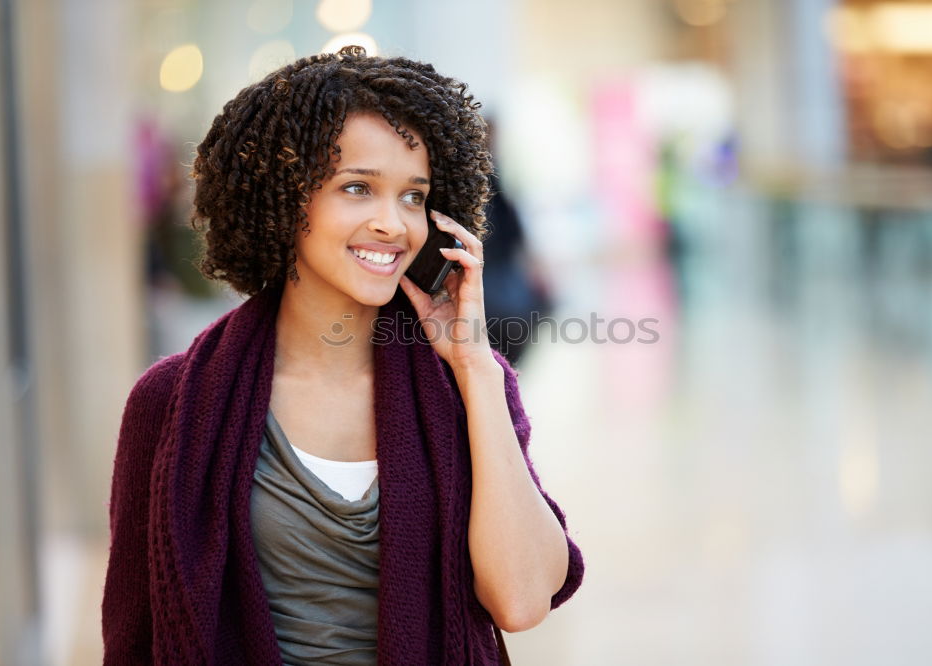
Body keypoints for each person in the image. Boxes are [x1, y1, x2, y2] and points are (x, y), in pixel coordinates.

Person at [101, 46, 584, 665]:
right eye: (357, 188)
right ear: (283, 199)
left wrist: (474, 368)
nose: (393, 223)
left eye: (414, 196)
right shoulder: (171, 403)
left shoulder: (468, 386)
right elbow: (133, 639)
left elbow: (520, 603)